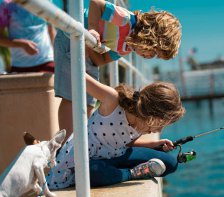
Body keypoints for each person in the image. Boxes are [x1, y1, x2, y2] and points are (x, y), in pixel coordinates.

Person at [54, 0, 182, 140]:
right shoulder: (125, 19)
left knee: (89, 100)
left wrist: (88, 47)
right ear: (149, 36)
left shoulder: (126, 48)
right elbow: (96, 3)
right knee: (70, 97)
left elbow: (100, 60)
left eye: (156, 56)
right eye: (154, 51)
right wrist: (92, 30)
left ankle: (83, 142)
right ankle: (65, 143)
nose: (150, 57)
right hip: (70, 38)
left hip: (88, 52)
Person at [46, 74, 185, 189]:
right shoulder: (112, 101)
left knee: (170, 163)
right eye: (160, 124)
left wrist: (152, 144)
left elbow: (123, 139)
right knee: (93, 172)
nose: (160, 129)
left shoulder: (142, 122)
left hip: (118, 154)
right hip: (91, 159)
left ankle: (120, 172)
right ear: (151, 112)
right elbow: (77, 74)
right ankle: (130, 174)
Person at [0, 0, 55, 73]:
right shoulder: (7, 4)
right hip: (19, 66)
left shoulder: (46, 1)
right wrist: (22, 44)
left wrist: (60, 57)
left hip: (47, 61)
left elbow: (51, 30)